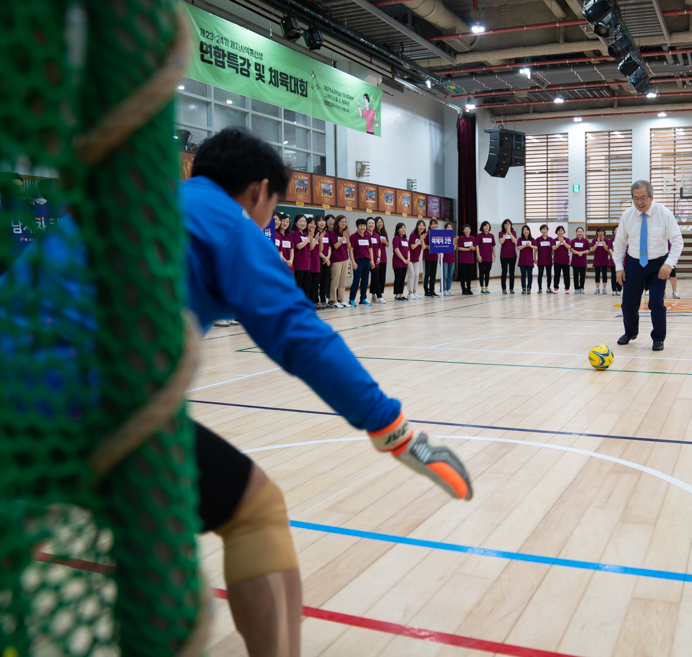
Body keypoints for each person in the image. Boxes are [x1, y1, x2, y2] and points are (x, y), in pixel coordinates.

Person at [7, 127, 473, 657]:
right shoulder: (227, 222)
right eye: (272, 209)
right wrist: (393, 430)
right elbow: (299, 334)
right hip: (78, 398)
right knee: (256, 510)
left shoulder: (130, 205)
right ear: (258, 191)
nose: (268, 221)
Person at [614, 180, 683, 351]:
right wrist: (619, 267)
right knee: (628, 304)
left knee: (656, 303)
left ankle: (658, 338)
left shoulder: (664, 214)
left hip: (658, 264)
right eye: (635, 198)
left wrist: (669, 264)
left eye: (643, 197)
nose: (639, 202)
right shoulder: (627, 215)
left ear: (651, 197)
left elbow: (677, 241)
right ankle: (630, 332)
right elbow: (620, 243)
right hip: (634, 263)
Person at [348, 218, 373, 307]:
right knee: (356, 280)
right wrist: (353, 262)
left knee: (365, 280)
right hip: (358, 261)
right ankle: (351, 299)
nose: (362, 227)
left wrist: (372, 260)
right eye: (360, 225)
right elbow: (351, 250)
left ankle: (363, 299)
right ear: (357, 226)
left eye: (364, 225)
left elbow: (370, 249)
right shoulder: (353, 236)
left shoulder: (368, 236)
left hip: (366, 261)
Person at [330, 215, 350, 308]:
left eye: (345, 222)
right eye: (341, 221)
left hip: (345, 259)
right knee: (335, 281)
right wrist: (343, 237)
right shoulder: (333, 233)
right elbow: (335, 246)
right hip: (336, 260)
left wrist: (347, 237)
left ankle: (341, 300)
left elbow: (349, 247)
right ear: (337, 222)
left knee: (342, 281)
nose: (343, 223)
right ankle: (334, 300)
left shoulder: (345, 233)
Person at [290, 214, 312, 299]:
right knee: (298, 286)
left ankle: (305, 304)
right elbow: (298, 246)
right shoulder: (293, 233)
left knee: (306, 287)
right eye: (300, 221)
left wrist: (313, 238)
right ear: (295, 223)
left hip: (307, 264)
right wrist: (308, 239)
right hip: (298, 264)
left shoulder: (306, 234)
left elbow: (310, 248)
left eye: (304, 221)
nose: (303, 223)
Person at [371, 216, 389, 304]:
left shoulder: (384, 233)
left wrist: (385, 242)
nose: (379, 224)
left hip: (383, 257)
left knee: (382, 277)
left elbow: (387, 245)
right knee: (375, 277)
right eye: (378, 222)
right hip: (375, 257)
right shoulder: (373, 233)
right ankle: (374, 296)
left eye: (381, 222)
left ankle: (380, 294)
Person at [421, 219, 441, 298]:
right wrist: (432, 247)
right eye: (432, 224)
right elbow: (424, 245)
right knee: (427, 274)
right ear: (429, 225)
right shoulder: (427, 233)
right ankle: (426, 291)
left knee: (433, 275)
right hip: (427, 257)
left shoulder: (438, 234)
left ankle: (432, 291)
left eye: (436, 224)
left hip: (435, 257)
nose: (434, 225)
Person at [475, 221, 495, 294]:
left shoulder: (491, 235)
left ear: (489, 227)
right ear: (482, 227)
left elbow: (493, 246)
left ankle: (486, 287)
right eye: (485, 226)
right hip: (481, 258)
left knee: (487, 273)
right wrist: (478, 255)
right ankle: (482, 288)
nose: (486, 227)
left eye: (487, 226)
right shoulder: (479, 235)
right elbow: (477, 246)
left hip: (489, 258)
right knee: (481, 273)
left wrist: (494, 255)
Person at [391, 222, 410, 301]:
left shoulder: (405, 239)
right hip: (398, 262)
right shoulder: (396, 238)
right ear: (397, 230)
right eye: (401, 228)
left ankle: (401, 294)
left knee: (403, 278)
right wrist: (403, 259)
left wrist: (408, 259)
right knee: (398, 278)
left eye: (404, 228)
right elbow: (396, 250)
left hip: (405, 262)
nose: (403, 229)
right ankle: (397, 295)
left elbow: (408, 250)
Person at [498, 219, 517, 294]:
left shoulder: (514, 232)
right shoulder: (501, 233)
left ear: (511, 225)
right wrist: (506, 233)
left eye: (508, 224)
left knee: (512, 272)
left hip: (512, 255)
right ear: (503, 225)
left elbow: (514, 241)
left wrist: (510, 233)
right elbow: (501, 241)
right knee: (504, 272)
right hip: (504, 255)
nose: (507, 225)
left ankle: (511, 288)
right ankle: (504, 288)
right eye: (505, 224)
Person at [456, 224, 476, 295]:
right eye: (465, 229)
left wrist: (472, 248)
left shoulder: (473, 238)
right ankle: (463, 289)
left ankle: (469, 288)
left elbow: (474, 248)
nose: (467, 230)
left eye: (468, 229)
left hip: (470, 259)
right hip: (463, 259)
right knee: (463, 275)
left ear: (470, 230)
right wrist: (468, 249)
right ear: (463, 231)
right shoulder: (461, 238)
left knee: (469, 275)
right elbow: (459, 248)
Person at [317, 216, 332, 309]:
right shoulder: (315, 233)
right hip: (318, 259)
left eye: (323, 221)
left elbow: (329, 247)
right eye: (320, 221)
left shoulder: (326, 233)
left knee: (324, 281)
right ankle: (316, 301)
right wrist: (324, 257)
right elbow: (317, 249)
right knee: (317, 282)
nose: (322, 223)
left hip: (326, 260)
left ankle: (323, 301)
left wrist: (328, 257)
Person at [408, 220, 425, 299]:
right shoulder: (413, 234)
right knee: (411, 274)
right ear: (417, 226)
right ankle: (410, 293)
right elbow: (412, 247)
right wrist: (420, 240)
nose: (422, 227)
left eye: (423, 225)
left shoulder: (422, 236)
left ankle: (415, 292)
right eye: (420, 225)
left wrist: (422, 239)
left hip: (416, 259)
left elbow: (423, 248)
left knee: (417, 275)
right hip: (409, 258)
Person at [570, 227, 591, 294]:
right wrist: (578, 253)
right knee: (575, 276)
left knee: (582, 275)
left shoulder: (586, 241)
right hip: (575, 261)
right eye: (578, 232)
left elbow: (588, 250)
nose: (579, 233)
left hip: (583, 261)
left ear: (583, 233)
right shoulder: (573, 241)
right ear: (576, 233)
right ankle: (576, 288)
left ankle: (581, 288)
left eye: (581, 232)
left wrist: (582, 252)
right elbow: (571, 249)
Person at [534, 224, 554, 293]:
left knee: (549, 274)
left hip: (549, 259)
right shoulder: (538, 239)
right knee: (540, 274)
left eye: (545, 229)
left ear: (547, 230)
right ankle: (540, 288)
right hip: (541, 259)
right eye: (542, 229)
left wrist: (553, 257)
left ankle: (548, 288)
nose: (544, 231)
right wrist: (535, 258)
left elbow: (552, 249)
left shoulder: (551, 239)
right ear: (540, 231)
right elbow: (535, 249)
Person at [592, 227, 611, 294]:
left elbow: (606, 249)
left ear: (604, 232)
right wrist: (597, 242)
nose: (600, 233)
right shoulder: (594, 240)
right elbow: (593, 249)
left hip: (604, 260)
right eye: (599, 231)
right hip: (597, 260)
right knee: (597, 274)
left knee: (604, 274)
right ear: (597, 232)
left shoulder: (606, 240)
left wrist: (602, 241)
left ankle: (604, 288)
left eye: (602, 231)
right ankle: (597, 288)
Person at [517, 225, 536, 294]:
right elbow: (518, 248)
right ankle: (523, 288)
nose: (526, 231)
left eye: (527, 230)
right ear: (522, 231)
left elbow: (536, 248)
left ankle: (529, 288)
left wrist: (530, 245)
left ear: (529, 231)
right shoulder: (520, 239)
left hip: (530, 260)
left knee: (530, 275)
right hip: (522, 260)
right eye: (524, 230)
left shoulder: (532, 239)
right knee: (523, 275)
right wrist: (525, 245)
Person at [553, 226, 571, 293]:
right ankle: (556, 288)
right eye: (559, 231)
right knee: (556, 275)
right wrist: (560, 242)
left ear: (563, 231)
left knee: (566, 275)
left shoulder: (567, 239)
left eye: (561, 231)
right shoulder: (554, 240)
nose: (560, 232)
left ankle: (567, 288)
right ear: (556, 232)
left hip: (565, 260)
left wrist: (563, 241)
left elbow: (569, 247)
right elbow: (553, 248)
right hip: (557, 260)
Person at [441, 221, 456, 296]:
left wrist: (455, 242)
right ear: (445, 229)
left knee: (450, 275)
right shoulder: (442, 237)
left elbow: (454, 249)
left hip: (452, 258)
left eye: (451, 227)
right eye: (448, 227)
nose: (449, 228)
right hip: (444, 259)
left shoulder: (453, 238)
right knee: (444, 275)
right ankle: (443, 290)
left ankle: (448, 289)